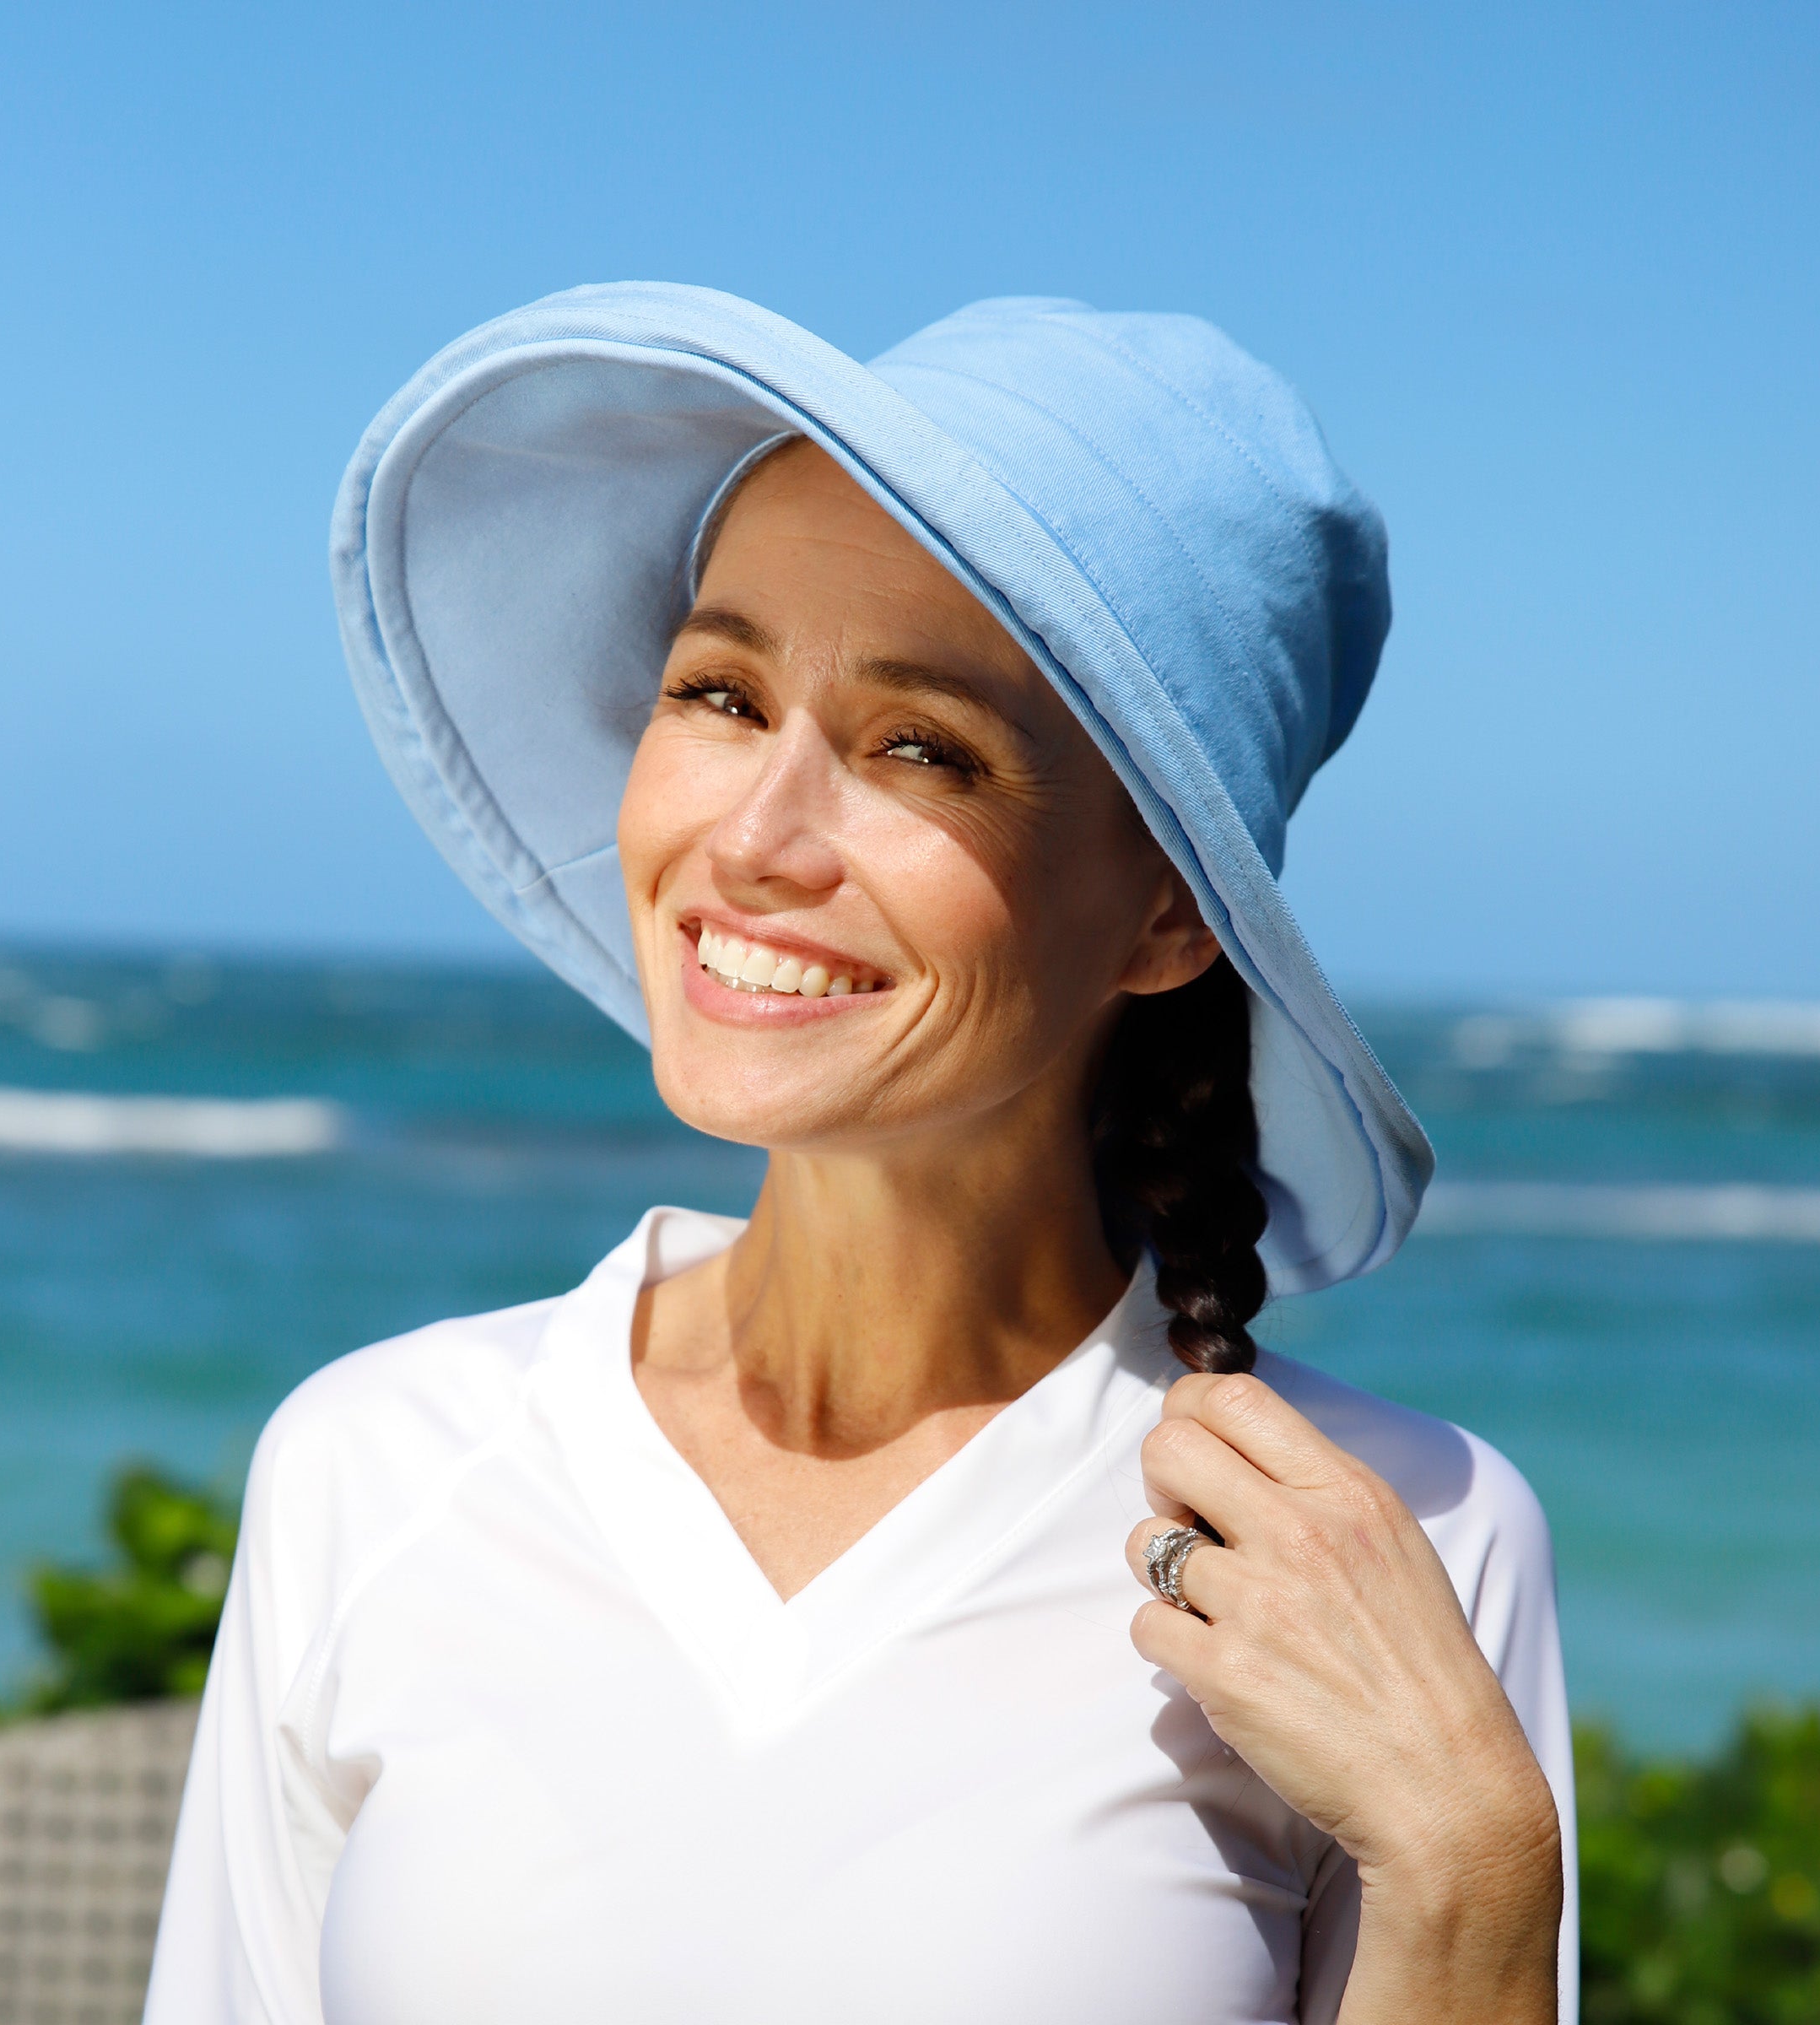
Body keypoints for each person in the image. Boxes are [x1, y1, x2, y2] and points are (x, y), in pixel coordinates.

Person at [146, 287, 1574, 2024]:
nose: (753, 840)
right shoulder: (375, 1468)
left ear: (1164, 917)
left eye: (922, 749)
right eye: (721, 695)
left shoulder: (1396, 1543)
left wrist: (1479, 1869)